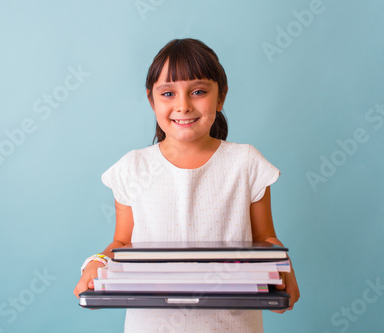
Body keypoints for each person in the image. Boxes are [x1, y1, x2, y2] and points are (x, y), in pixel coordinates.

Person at [74, 38, 300, 332]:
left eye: (198, 92)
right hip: (152, 325)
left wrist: (282, 267)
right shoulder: (133, 167)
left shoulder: (245, 162)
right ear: (151, 100)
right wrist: (96, 263)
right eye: (168, 93)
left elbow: (266, 238)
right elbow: (121, 243)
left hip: (233, 325)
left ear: (220, 97)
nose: (183, 105)